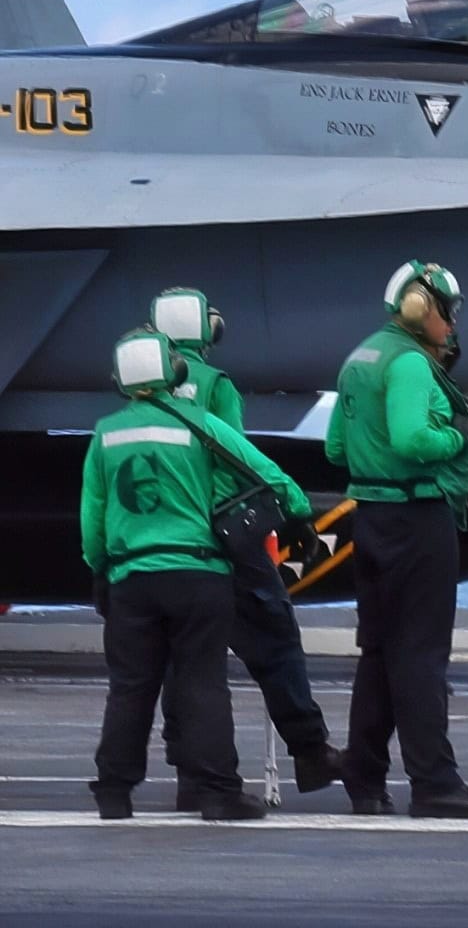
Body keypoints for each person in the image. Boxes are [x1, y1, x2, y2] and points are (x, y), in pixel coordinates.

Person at [84, 328, 317, 821]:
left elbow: (93, 519)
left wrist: (101, 570)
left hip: (131, 579)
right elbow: (267, 473)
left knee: (131, 685)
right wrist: (298, 514)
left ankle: (114, 790)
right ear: (173, 371)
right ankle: (215, 791)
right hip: (197, 575)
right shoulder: (199, 423)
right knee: (202, 682)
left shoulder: (106, 433)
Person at [148, 287, 345, 810]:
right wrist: (290, 511)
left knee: (184, 656)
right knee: (276, 637)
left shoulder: (138, 396)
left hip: (167, 543)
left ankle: (190, 768)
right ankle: (309, 749)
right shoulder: (215, 384)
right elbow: (235, 461)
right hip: (224, 538)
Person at [326, 260, 468, 818]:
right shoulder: (409, 364)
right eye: (446, 313)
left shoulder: (360, 357)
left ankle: (365, 775)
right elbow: (411, 440)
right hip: (416, 519)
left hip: (372, 519)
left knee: (378, 654)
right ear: (420, 307)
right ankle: (434, 783)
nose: (451, 326)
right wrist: (454, 436)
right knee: (422, 655)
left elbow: (335, 449)